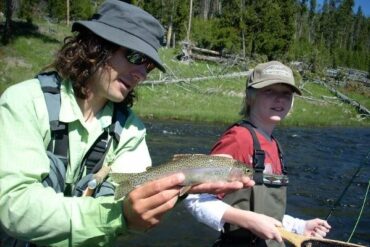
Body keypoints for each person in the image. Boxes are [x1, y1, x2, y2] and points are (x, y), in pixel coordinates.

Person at [0, 1, 254, 246]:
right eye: (134, 56)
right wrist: (120, 215)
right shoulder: (25, 102)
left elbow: (132, 203)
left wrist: (172, 192)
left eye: (149, 66)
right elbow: (14, 206)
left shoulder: (131, 130)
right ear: (95, 47)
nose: (141, 74)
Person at [184, 61, 331, 247]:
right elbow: (195, 198)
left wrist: (299, 227)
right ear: (250, 97)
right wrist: (248, 220)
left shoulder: (274, 144)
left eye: (286, 93)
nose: (279, 99)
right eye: (269, 91)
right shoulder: (238, 139)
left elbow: (264, 214)